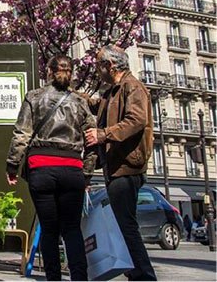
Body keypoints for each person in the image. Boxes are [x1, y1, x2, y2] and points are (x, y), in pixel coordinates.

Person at [6, 54, 97, 281]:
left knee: (49, 229)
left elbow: (21, 135)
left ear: (48, 72)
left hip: (41, 168)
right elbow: (93, 142)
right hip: (72, 169)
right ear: (72, 73)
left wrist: (12, 166)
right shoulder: (80, 103)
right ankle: (79, 277)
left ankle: (53, 277)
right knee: (72, 229)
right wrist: (86, 174)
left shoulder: (34, 98)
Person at [84, 44, 157, 281]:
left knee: (125, 225)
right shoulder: (113, 90)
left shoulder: (133, 87)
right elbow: (98, 106)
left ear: (110, 66)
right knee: (122, 223)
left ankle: (144, 276)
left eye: (98, 65)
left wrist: (103, 134)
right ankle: (137, 274)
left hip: (127, 167)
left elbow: (136, 120)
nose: (96, 71)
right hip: (116, 167)